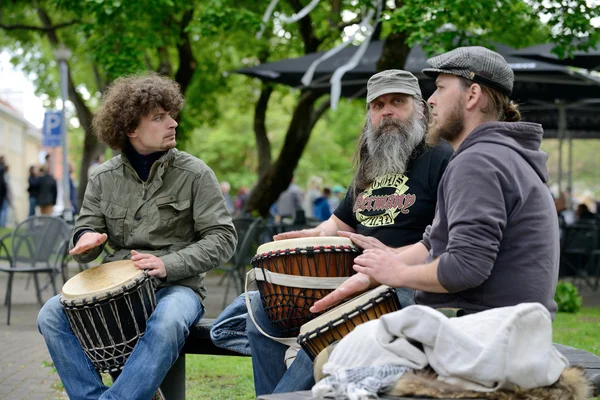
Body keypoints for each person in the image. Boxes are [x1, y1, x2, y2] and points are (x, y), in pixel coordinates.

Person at [313, 47, 560, 336]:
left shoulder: (478, 161)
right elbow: (434, 243)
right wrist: (373, 275)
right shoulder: (494, 155)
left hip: (489, 336)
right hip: (507, 328)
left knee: (333, 347)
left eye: (441, 89)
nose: (430, 100)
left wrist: (397, 274)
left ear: (472, 95)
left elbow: (465, 267)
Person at [246, 69, 453, 396]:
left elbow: (445, 242)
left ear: (420, 108)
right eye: (377, 104)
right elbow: (338, 224)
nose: (386, 111)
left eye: (397, 102)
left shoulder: (441, 158)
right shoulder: (370, 164)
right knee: (259, 309)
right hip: (349, 276)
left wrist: (390, 263)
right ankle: (276, 392)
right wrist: (308, 237)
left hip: (406, 284)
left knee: (321, 333)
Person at [37, 73, 237, 400]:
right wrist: (86, 240)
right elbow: (85, 232)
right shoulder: (102, 178)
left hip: (177, 287)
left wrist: (168, 263)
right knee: (50, 314)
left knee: (169, 321)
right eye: (159, 117)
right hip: (115, 292)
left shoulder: (196, 173)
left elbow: (223, 238)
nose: (172, 123)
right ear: (130, 129)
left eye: (171, 114)